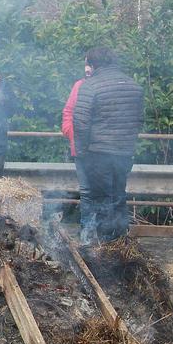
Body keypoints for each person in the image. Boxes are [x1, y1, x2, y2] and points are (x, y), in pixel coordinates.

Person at [72, 47, 144, 243]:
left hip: (98, 153)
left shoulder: (90, 86)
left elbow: (80, 123)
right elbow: (139, 120)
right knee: (119, 196)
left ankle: (106, 246)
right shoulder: (134, 86)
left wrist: (82, 151)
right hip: (124, 153)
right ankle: (121, 242)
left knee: (102, 199)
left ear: (93, 64)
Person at [62, 62, 95, 243]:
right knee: (86, 192)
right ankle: (86, 234)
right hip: (80, 149)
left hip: (101, 149)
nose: (87, 69)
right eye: (85, 64)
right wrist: (70, 132)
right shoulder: (79, 85)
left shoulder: (103, 86)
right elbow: (68, 111)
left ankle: (102, 233)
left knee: (102, 193)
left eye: (90, 65)